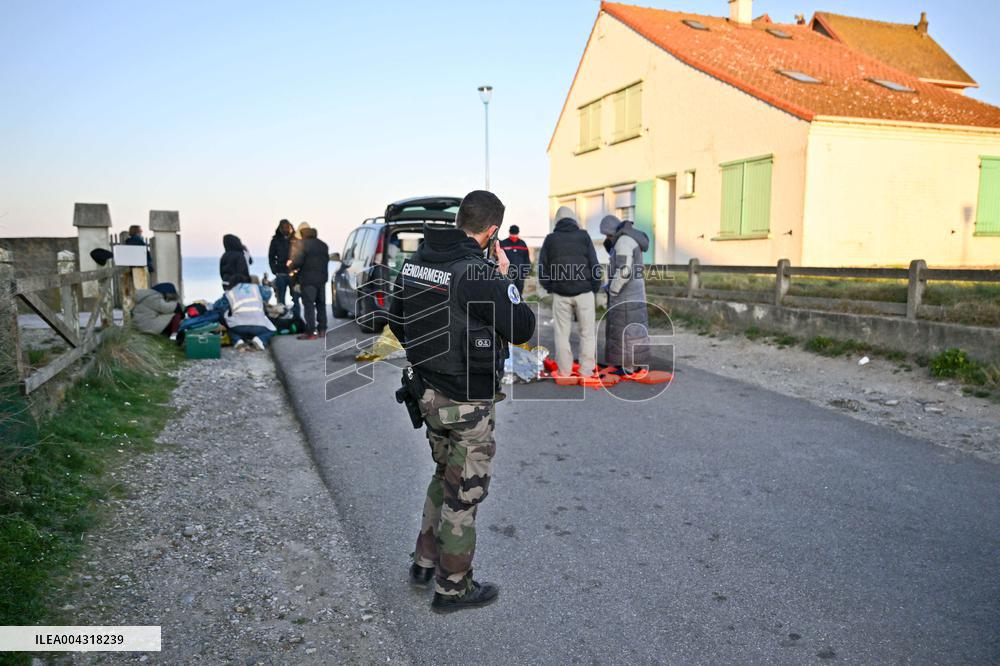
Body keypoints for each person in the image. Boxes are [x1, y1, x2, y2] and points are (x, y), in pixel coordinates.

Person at [388, 190, 536, 613]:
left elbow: (396, 319)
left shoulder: (416, 263)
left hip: (428, 393)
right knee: (463, 492)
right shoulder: (479, 274)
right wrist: (507, 277)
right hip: (467, 400)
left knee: (442, 473)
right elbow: (522, 327)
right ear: (492, 232)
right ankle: (452, 588)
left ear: (459, 222)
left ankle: (424, 563)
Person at [537, 206, 602, 379]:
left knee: (561, 334)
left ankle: (565, 371)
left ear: (557, 222)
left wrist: (550, 287)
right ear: (574, 220)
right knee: (587, 333)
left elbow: (542, 267)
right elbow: (594, 264)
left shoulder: (551, 239)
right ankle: (586, 371)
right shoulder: (584, 236)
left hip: (561, 293)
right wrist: (595, 287)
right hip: (585, 292)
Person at [600, 215, 651, 376]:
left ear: (612, 232)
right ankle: (637, 365)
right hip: (635, 291)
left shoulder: (623, 242)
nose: (607, 238)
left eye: (607, 235)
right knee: (635, 330)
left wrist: (612, 289)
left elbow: (624, 270)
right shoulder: (629, 239)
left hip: (625, 295)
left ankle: (628, 368)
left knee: (626, 331)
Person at [288, 225, 329, 340]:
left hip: (308, 280)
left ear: (303, 234)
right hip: (322, 279)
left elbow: (297, 262)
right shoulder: (323, 245)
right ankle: (322, 330)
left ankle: (311, 332)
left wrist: (290, 266)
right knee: (321, 304)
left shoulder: (302, 244)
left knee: (309, 305)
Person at [224, 281, 276, 350]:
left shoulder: (230, 292)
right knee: (272, 329)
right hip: (258, 325)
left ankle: (238, 341)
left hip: (238, 326)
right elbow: (267, 294)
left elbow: (219, 307)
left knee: (230, 328)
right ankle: (260, 340)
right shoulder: (256, 288)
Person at [268, 219, 294, 306]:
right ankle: (281, 316)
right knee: (280, 299)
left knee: (296, 297)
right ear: (280, 228)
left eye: (288, 227)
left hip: (293, 273)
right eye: (284, 227)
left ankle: (296, 316)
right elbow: (271, 256)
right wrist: (274, 269)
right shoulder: (275, 240)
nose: (286, 229)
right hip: (280, 272)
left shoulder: (295, 239)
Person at [499, 224, 530, 294]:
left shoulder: (522, 244)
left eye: (515, 234)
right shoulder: (503, 243)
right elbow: (499, 258)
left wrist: (525, 272)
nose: (514, 236)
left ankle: (518, 304)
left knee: (519, 292)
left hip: (520, 273)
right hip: (507, 273)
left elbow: (526, 259)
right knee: (507, 291)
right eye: (513, 234)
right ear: (509, 233)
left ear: (518, 233)